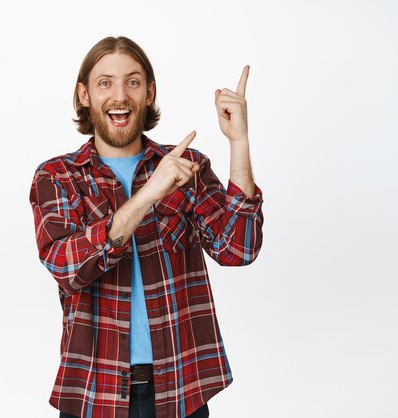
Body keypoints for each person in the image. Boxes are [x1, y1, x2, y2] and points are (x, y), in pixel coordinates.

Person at [29, 36, 264, 418]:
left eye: (133, 82)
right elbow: (67, 268)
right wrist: (149, 194)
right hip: (93, 393)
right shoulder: (57, 176)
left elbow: (238, 249)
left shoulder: (187, 166)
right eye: (105, 82)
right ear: (84, 94)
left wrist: (239, 142)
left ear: (149, 92)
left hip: (180, 390)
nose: (119, 96)